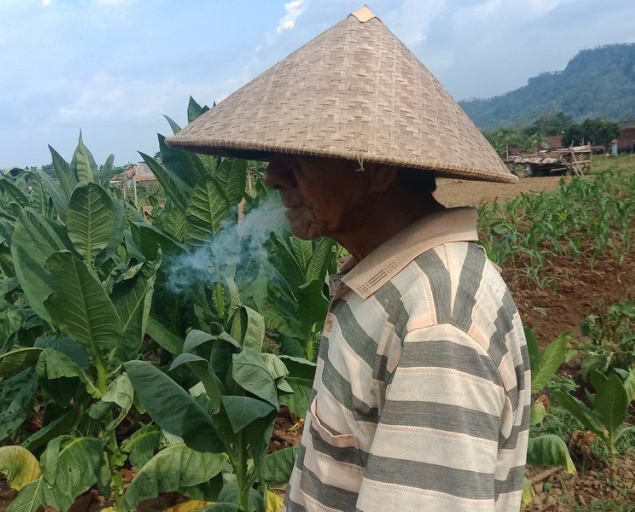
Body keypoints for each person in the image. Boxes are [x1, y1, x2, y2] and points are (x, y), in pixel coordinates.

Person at [167, 7, 530, 511]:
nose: (271, 177)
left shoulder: (436, 324)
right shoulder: (389, 282)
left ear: (378, 169)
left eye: (299, 154)